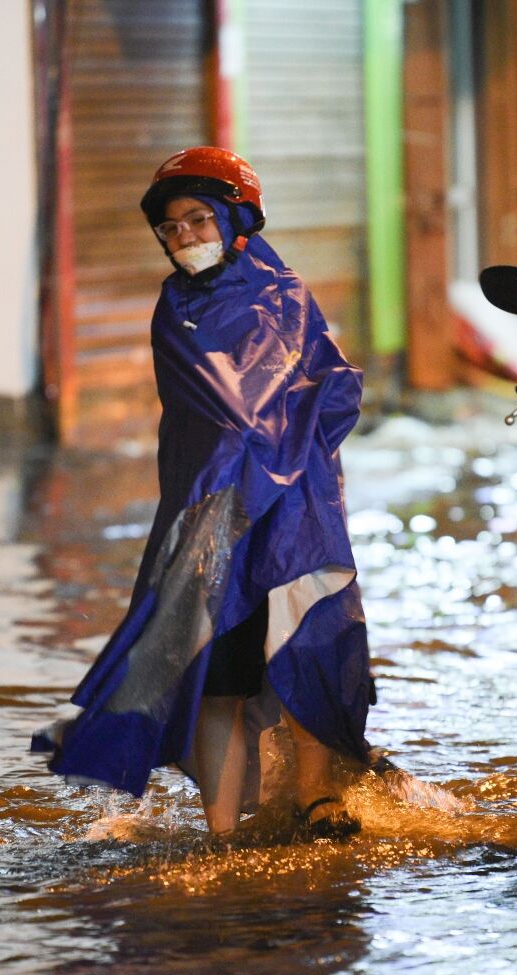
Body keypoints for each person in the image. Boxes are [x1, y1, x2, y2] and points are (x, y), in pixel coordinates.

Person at [32, 147, 373, 839]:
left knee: (305, 652)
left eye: (198, 219)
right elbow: (215, 413)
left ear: (234, 217)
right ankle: (222, 837)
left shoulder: (287, 296)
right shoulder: (174, 311)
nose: (184, 236)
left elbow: (331, 391)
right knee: (216, 676)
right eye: (171, 227)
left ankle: (317, 798)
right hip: (214, 513)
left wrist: (281, 454)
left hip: (293, 515)